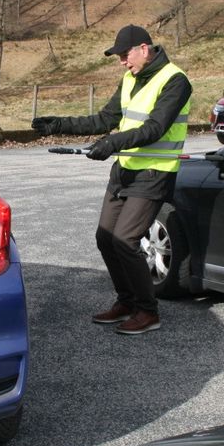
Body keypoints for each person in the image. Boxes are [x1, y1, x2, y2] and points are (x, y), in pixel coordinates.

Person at [32, 24, 192, 335]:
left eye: (124, 54)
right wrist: (59, 124)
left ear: (143, 49)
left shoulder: (175, 80)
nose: (121, 61)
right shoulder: (130, 78)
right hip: (124, 170)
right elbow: (106, 118)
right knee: (105, 237)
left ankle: (148, 311)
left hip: (154, 173)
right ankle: (127, 301)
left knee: (125, 239)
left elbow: (155, 129)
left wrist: (111, 143)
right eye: (119, 56)